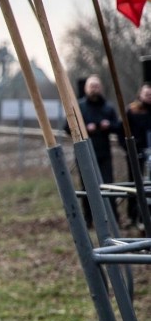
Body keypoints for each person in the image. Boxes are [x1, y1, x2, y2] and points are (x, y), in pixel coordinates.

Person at [69, 75, 120, 226]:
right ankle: (89, 219)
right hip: (84, 153)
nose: (94, 89)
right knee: (87, 186)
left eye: (97, 86)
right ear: (86, 88)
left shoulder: (108, 107)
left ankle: (112, 218)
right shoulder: (78, 107)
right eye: (92, 86)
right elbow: (68, 128)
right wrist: (85, 128)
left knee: (108, 185)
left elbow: (118, 127)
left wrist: (108, 125)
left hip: (104, 152)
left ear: (101, 88)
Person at [121, 82, 151, 229]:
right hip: (136, 154)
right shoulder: (132, 111)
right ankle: (133, 216)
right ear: (141, 95)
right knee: (135, 184)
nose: (149, 97)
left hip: (149, 153)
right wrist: (129, 149)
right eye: (147, 94)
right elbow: (122, 131)